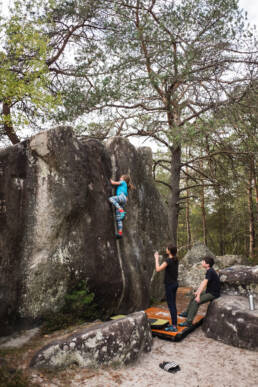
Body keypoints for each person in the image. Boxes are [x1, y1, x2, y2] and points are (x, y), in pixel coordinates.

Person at [179, 256, 220, 327]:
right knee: (194, 296)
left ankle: (189, 322)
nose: (201, 262)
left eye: (203, 261)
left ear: (207, 264)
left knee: (196, 301)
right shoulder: (209, 270)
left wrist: (198, 296)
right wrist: (197, 292)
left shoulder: (210, 271)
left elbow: (204, 284)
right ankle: (187, 313)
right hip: (209, 291)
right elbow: (202, 283)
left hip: (213, 293)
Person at [154, 245, 179, 332]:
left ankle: (174, 326)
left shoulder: (168, 260)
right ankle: (174, 324)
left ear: (169, 251)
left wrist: (156, 258)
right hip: (175, 284)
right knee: (173, 305)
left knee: (171, 305)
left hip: (170, 285)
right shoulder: (176, 260)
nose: (166, 249)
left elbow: (158, 269)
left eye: (167, 249)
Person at [109, 174, 134, 239]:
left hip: (121, 197)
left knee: (111, 199)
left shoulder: (123, 182)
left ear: (124, 179)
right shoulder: (125, 186)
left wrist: (110, 180)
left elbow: (113, 183)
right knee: (119, 218)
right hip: (123, 200)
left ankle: (121, 210)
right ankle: (120, 233)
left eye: (121, 177)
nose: (120, 178)